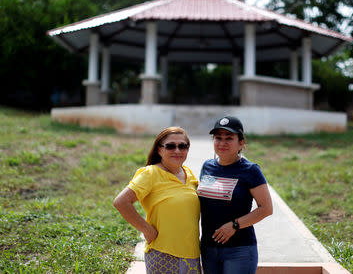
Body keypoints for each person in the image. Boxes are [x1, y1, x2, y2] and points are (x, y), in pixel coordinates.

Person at [113, 127, 201, 274]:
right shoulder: (151, 173)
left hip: (192, 255)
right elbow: (121, 202)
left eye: (182, 146)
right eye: (171, 146)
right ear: (159, 150)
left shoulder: (189, 174)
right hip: (163, 253)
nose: (177, 150)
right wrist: (147, 230)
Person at [197, 116, 273, 274]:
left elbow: (266, 208)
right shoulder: (207, 167)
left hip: (240, 250)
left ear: (241, 142)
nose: (222, 143)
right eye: (218, 138)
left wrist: (234, 225)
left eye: (229, 138)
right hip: (209, 249)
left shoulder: (250, 170)